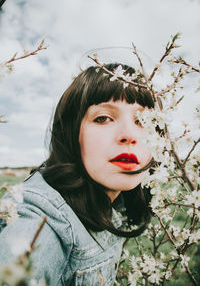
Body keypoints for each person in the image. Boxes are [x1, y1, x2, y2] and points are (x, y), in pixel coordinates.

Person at [0, 63, 155, 285]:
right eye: (103, 118)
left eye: (143, 121)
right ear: (72, 133)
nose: (129, 135)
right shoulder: (40, 231)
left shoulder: (111, 201)